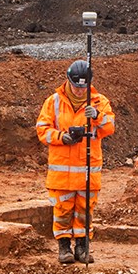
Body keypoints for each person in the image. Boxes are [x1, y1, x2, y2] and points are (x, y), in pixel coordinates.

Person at [36, 59, 115, 263]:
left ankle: (82, 248)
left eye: (83, 87)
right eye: (76, 87)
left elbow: (110, 127)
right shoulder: (53, 102)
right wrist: (62, 137)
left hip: (88, 170)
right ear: (68, 81)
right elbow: (42, 130)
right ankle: (64, 248)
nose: (80, 91)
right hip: (61, 172)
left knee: (84, 211)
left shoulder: (99, 102)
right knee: (62, 210)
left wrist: (97, 116)